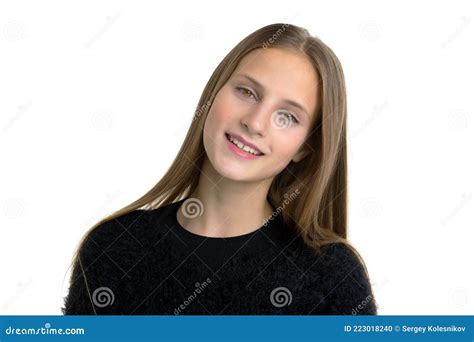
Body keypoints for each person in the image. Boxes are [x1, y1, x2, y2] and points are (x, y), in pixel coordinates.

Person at [62, 23, 378, 315]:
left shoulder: (333, 277)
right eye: (246, 92)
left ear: (306, 148)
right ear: (214, 94)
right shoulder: (113, 249)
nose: (254, 123)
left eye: (287, 117)